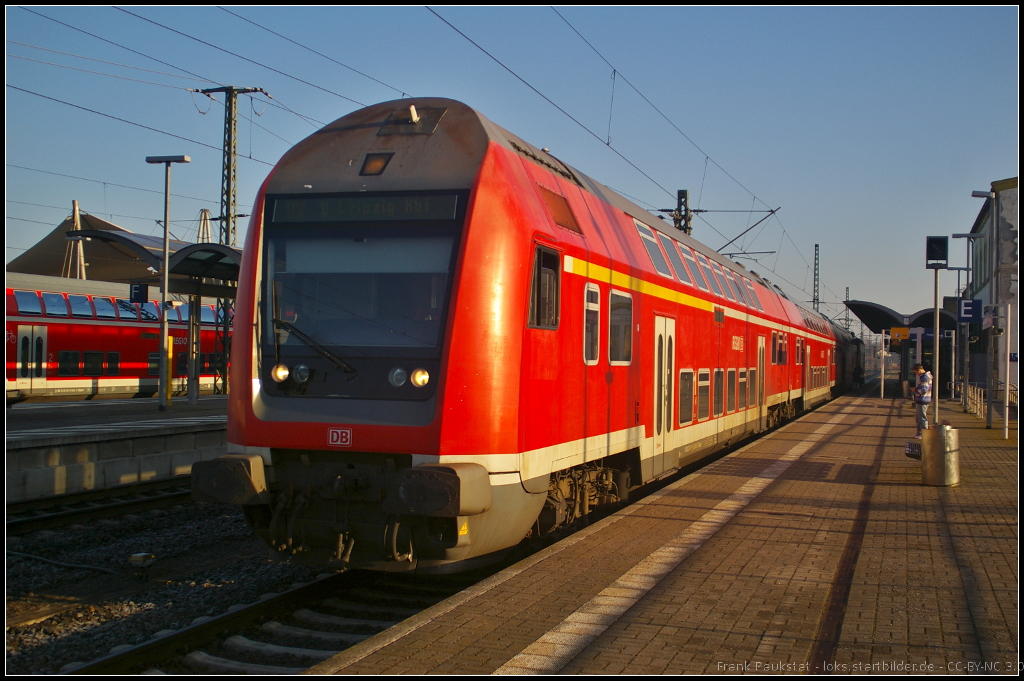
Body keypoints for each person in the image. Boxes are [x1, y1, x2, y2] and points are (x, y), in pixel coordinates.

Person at [910, 363, 932, 438]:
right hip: (923, 399)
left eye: (916, 372)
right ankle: (919, 433)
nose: (916, 374)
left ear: (919, 370)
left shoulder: (924, 378)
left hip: (923, 399)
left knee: (922, 418)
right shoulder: (925, 377)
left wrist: (915, 390)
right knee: (919, 418)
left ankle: (924, 434)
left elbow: (924, 390)